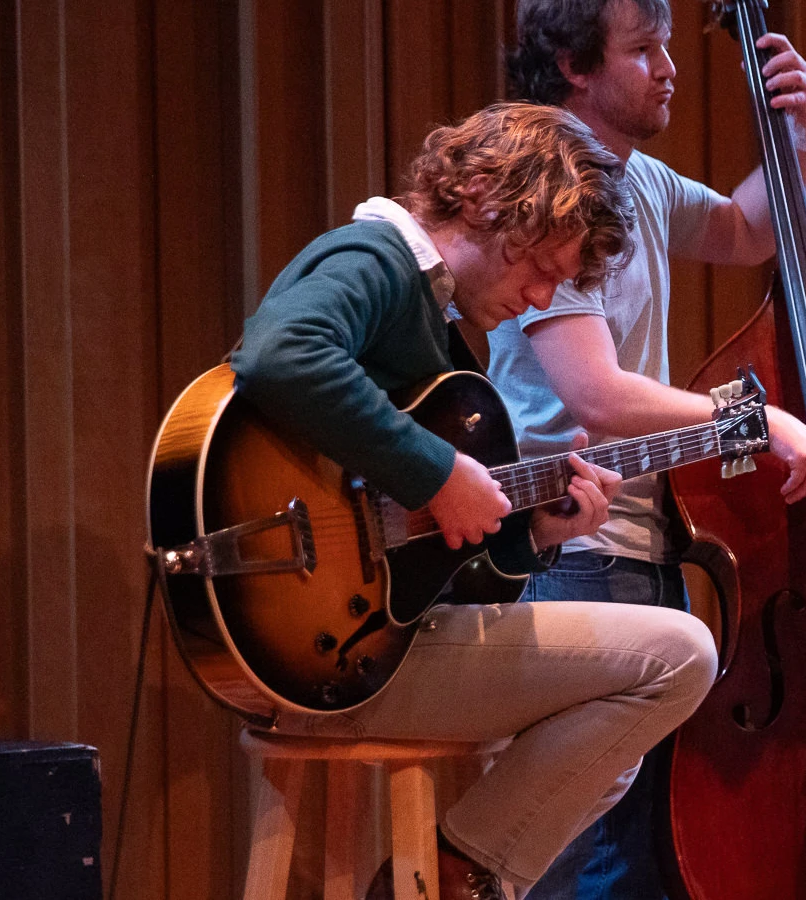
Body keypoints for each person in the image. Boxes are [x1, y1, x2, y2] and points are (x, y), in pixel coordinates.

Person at [229, 101, 720, 900]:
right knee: (679, 656)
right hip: (333, 652)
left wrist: (538, 534)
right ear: (493, 201)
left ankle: (456, 873)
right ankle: (456, 875)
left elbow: (425, 555)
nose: (536, 300)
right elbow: (282, 353)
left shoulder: (438, 324)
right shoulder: (377, 259)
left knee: (610, 750)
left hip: (367, 635)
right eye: (539, 271)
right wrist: (437, 474)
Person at [490, 1, 806, 896]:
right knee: (575, 855)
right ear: (574, 65)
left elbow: (743, 233)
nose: (669, 68)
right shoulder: (549, 189)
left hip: (635, 545)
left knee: (632, 863)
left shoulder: (641, 179)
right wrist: (752, 419)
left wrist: (803, 139)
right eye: (643, 51)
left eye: (669, 46)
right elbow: (594, 393)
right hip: (570, 546)